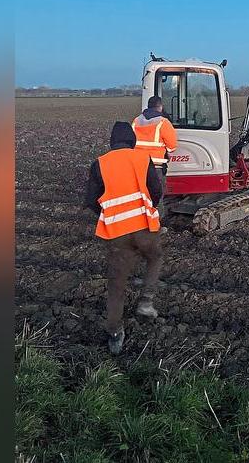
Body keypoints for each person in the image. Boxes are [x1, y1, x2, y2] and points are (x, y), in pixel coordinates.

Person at [84, 121, 165, 355]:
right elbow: (156, 190)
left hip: (117, 234)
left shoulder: (99, 164)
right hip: (144, 228)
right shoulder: (142, 158)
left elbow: (91, 200)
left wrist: (110, 215)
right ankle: (146, 302)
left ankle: (115, 334)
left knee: (116, 286)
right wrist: (148, 208)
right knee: (155, 257)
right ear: (132, 140)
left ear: (112, 142)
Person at [132, 95, 179, 182]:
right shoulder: (163, 122)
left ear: (148, 106)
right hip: (156, 165)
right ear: (160, 107)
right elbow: (172, 147)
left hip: (139, 164)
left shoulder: (136, 121)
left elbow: (131, 141)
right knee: (157, 189)